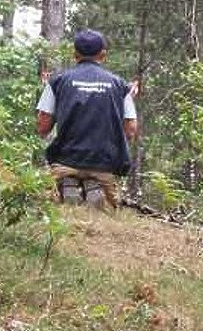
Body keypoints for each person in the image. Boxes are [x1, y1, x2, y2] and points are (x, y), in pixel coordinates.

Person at [36, 29, 138, 208]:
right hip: (103, 165)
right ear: (103, 55)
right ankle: (93, 187)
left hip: (64, 162)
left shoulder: (57, 82)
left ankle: (69, 185)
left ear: (75, 54)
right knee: (109, 217)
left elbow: (43, 128)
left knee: (52, 209)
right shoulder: (120, 86)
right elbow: (130, 129)